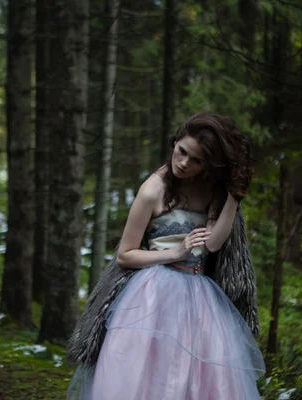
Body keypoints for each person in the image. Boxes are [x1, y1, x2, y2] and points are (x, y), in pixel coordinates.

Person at [66, 111, 265, 399]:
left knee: (199, 376)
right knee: (144, 374)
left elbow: (214, 244)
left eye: (196, 160)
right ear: (174, 142)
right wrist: (175, 252)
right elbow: (125, 254)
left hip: (200, 296)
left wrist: (234, 196)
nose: (184, 163)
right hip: (151, 294)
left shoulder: (211, 189)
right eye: (181, 151)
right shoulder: (152, 190)